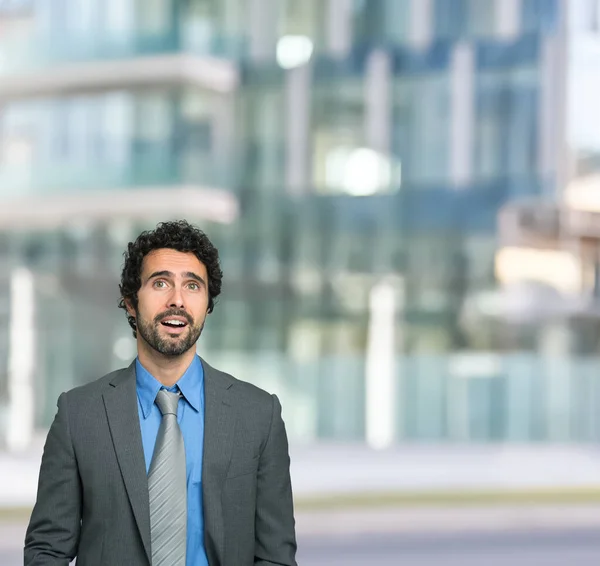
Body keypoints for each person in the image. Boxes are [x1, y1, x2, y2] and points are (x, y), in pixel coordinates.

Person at [24, 220, 297, 566]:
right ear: (131, 303)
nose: (177, 300)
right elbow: (46, 552)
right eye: (161, 282)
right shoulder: (79, 415)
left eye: (193, 286)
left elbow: (275, 557)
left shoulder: (259, 415)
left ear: (207, 305)